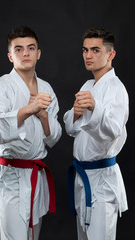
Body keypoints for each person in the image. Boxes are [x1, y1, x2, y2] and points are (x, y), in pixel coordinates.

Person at [0, 25, 62, 240]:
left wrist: (44, 117)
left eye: (30, 48)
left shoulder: (46, 88)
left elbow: (54, 138)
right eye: (18, 49)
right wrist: (29, 109)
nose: (25, 53)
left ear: (38, 53)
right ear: (10, 56)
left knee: (32, 236)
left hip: (37, 175)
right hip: (12, 177)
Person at [64, 28, 129, 240]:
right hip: (83, 177)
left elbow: (112, 131)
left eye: (95, 50)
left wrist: (95, 107)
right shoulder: (89, 85)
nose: (88, 55)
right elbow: (72, 129)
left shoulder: (116, 88)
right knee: (83, 236)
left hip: (102, 179)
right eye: (85, 50)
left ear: (111, 54)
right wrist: (76, 113)